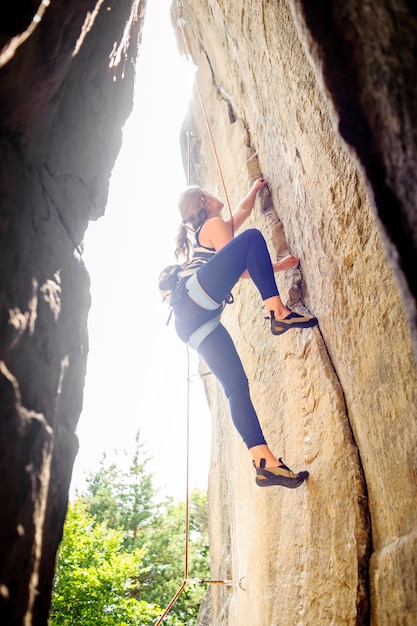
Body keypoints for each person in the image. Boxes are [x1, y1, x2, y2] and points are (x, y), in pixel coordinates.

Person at [170, 178, 317, 488]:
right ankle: (278, 313)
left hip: (195, 323)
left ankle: (264, 462)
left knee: (236, 387)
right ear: (205, 202)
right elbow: (242, 266)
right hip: (194, 302)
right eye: (209, 193)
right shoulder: (211, 226)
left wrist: (252, 191)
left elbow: (241, 212)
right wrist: (278, 267)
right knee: (251, 238)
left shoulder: (214, 228)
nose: (214, 194)